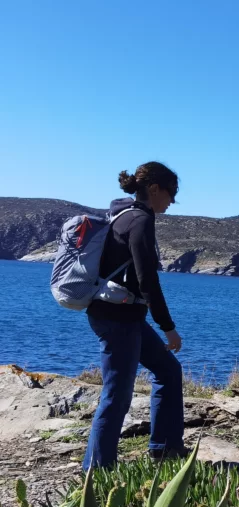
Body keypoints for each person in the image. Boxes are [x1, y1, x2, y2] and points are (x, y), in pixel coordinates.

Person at [82, 162, 185, 470]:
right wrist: (168, 328)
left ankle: (164, 450)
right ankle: (95, 473)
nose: (172, 201)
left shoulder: (123, 215)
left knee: (168, 371)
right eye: (171, 193)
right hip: (118, 319)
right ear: (154, 189)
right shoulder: (140, 219)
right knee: (116, 395)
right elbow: (147, 280)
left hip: (124, 316)